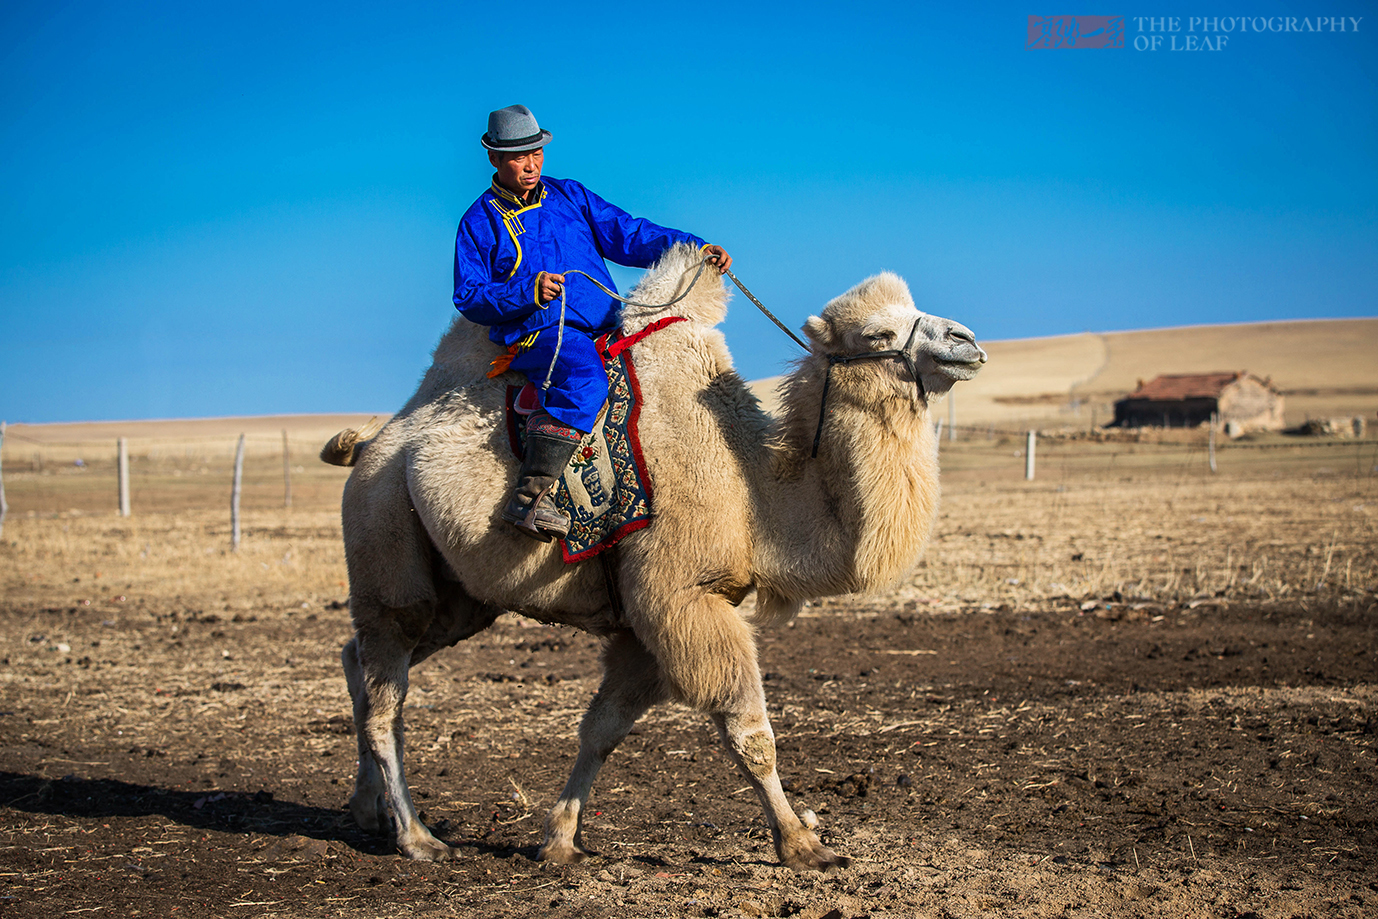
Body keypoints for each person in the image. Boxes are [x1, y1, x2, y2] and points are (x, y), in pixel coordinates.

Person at [453, 104, 731, 542]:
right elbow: (469, 296)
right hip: (539, 334)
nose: (530, 164)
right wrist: (527, 291)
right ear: (494, 159)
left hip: (604, 322)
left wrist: (694, 247)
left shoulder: (570, 196)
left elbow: (628, 233)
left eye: (535, 154)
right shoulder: (477, 222)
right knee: (584, 378)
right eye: (517, 157)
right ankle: (528, 498)